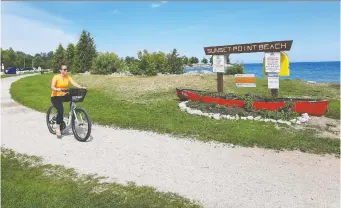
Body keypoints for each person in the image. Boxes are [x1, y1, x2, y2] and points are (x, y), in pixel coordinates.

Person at [50, 64, 85, 138]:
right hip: (55, 96)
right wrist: (57, 89)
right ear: (60, 70)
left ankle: (72, 112)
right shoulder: (56, 77)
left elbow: (74, 82)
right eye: (64, 69)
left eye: (66, 69)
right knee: (61, 109)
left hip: (63, 96)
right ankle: (57, 128)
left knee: (73, 96)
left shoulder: (67, 76)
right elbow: (52, 86)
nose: (66, 71)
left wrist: (81, 87)